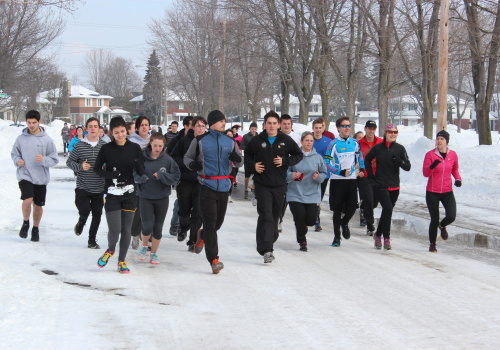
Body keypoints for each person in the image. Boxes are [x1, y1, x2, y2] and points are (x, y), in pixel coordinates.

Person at [184, 110, 243, 274]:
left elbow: (240, 161)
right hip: (207, 185)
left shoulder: (230, 141)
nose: (224, 123)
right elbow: (187, 158)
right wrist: (192, 166)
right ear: (212, 123)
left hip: (224, 186)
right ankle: (214, 260)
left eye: (224, 121)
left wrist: (237, 159)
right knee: (210, 224)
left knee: (217, 224)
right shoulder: (200, 141)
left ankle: (202, 234)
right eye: (221, 121)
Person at [245, 111, 303, 263]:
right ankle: (267, 250)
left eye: (274, 123)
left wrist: (285, 161)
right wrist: (253, 166)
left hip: (279, 186)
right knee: (266, 216)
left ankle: (266, 241)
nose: (271, 126)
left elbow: (298, 154)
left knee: (275, 218)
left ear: (278, 125)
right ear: (264, 125)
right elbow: (247, 157)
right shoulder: (257, 140)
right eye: (268, 123)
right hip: (262, 185)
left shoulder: (285, 140)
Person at [95, 116, 145, 274]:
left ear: (127, 130)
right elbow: (97, 168)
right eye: (116, 132)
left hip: (130, 194)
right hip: (112, 194)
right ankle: (110, 250)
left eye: (123, 131)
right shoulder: (106, 149)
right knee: (115, 230)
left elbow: (142, 171)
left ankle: (121, 261)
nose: (120, 134)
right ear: (111, 133)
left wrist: (138, 163)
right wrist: (110, 174)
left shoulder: (134, 148)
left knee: (127, 230)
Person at [11, 110, 59, 241]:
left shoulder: (47, 140)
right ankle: (26, 223)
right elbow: (14, 154)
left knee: (38, 205)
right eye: (29, 122)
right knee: (27, 200)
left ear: (39, 122)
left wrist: (43, 159)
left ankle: (35, 228)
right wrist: (17, 161)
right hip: (25, 174)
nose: (31, 125)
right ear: (26, 122)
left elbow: (55, 159)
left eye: (34, 122)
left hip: (41, 178)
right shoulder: (20, 139)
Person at [134, 133, 180, 264]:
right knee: (147, 226)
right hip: (145, 197)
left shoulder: (167, 160)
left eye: (160, 146)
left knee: (158, 228)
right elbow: (134, 173)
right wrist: (142, 178)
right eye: (155, 145)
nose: (158, 148)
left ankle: (153, 253)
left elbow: (176, 176)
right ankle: (144, 246)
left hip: (162, 197)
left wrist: (162, 176)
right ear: (150, 144)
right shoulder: (141, 157)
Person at [365, 124, 411, 250]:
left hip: (394, 186)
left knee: (387, 211)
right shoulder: (378, 148)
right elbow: (367, 159)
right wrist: (370, 175)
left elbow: (408, 166)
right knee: (388, 208)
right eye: (390, 132)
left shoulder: (400, 149)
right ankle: (386, 238)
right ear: (385, 133)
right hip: (380, 184)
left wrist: (400, 162)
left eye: (395, 132)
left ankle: (378, 234)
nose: (393, 134)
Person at [324, 116, 364, 247]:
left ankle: (345, 222)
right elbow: (327, 162)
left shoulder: (354, 142)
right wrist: (339, 171)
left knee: (352, 207)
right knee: (337, 209)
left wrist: (361, 167)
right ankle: (336, 237)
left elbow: (360, 156)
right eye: (344, 126)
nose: (347, 128)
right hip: (337, 180)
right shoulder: (333, 143)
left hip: (351, 179)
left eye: (349, 126)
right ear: (338, 128)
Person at [66, 117, 106, 249]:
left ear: (99, 128)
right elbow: (69, 162)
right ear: (86, 129)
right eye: (90, 126)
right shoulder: (79, 145)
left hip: (99, 186)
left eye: (95, 126)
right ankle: (81, 221)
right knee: (84, 210)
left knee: (97, 214)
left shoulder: (104, 146)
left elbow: (111, 163)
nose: (93, 129)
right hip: (83, 184)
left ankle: (91, 240)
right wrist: (80, 166)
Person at [286, 131, 327, 251]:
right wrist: (292, 175)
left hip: (312, 193)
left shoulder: (318, 158)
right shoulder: (294, 157)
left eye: (311, 141)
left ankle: (304, 227)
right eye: (307, 140)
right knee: (299, 218)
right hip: (295, 193)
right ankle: (302, 241)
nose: (309, 143)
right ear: (302, 141)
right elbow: (285, 173)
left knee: (310, 220)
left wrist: (318, 177)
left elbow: (324, 173)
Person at [170, 116, 207, 250]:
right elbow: (173, 157)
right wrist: (189, 165)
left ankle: (192, 241)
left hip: (201, 182)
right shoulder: (184, 141)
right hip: (185, 180)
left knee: (198, 212)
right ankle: (183, 227)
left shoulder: (208, 141)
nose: (201, 129)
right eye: (198, 126)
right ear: (193, 127)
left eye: (203, 126)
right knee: (184, 210)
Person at [423, 130, 461, 252]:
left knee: (451, 216)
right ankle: (432, 244)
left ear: (447, 142)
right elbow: (425, 173)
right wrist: (432, 166)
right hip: (432, 192)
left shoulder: (453, 155)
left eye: (442, 139)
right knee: (434, 219)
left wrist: (458, 179)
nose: (439, 141)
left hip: (447, 191)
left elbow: (455, 170)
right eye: (437, 138)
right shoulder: (430, 155)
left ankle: (443, 225)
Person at [166, 116, 193, 236]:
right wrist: (184, 164)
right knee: (180, 201)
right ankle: (175, 223)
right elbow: (170, 156)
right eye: (192, 125)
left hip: (195, 177)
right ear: (186, 126)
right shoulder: (177, 140)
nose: (195, 127)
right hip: (180, 175)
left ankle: (189, 226)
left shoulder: (198, 139)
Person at [129, 116, 151, 250]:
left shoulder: (153, 140)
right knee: (137, 209)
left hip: (150, 179)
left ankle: (146, 237)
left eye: (146, 125)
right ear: (137, 127)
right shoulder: (131, 142)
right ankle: (135, 234)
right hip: (136, 179)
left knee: (149, 210)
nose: (144, 127)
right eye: (141, 125)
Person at [358, 120, 383, 235]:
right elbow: (354, 158)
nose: (371, 131)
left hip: (377, 176)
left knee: (374, 202)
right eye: (369, 128)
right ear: (365, 129)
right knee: (369, 199)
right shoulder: (359, 143)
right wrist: (357, 169)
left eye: (373, 129)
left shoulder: (381, 142)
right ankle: (370, 225)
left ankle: (363, 206)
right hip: (364, 176)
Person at [311, 118, 333, 231]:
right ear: (312, 128)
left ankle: (316, 219)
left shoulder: (329, 141)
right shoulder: (309, 140)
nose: (318, 130)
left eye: (320, 128)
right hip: (310, 174)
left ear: (323, 128)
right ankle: (313, 218)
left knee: (318, 197)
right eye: (316, 128)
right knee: (311, 196)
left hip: (324, 175)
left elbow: (331, 158)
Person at [241, 122, 259, 199]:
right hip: (248, 158)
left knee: (256, 174)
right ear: (249, 128)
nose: (254, 130)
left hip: (256, 157)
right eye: (252, 129)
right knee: (247, 174)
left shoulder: (259, 136)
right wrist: (248, 148)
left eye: (255, 129)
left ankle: (253, 187)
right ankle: (246, 189)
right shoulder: (245, 136)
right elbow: (241, 146)